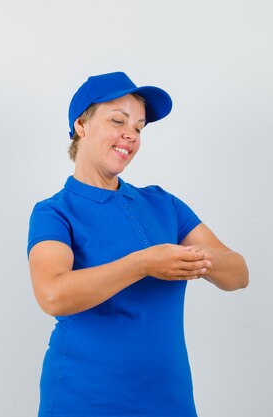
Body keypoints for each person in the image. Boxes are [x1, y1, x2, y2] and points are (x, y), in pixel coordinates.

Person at [27, 71, 249, 417]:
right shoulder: (55, 213)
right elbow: (52, 294)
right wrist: (144, 263)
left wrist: (195, 258)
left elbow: (237, 274)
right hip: (85, 399)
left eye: (140, 127)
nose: (130, 134)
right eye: (118, 120)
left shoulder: (163, 204)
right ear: (81, 126)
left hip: (168, 399)